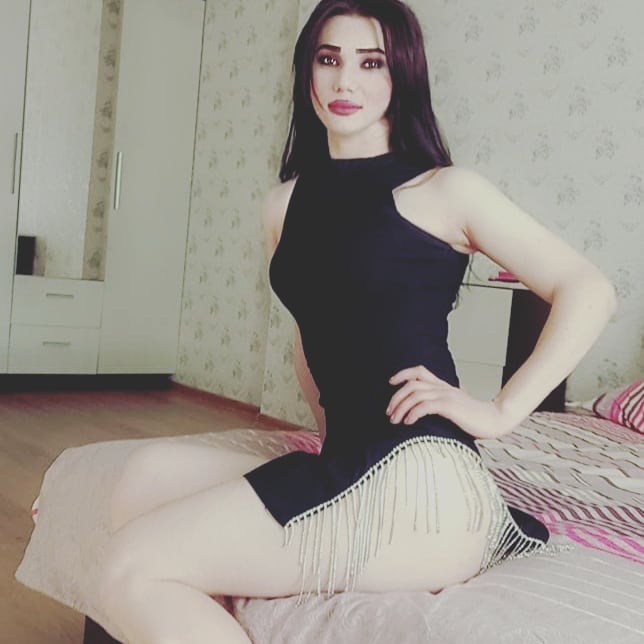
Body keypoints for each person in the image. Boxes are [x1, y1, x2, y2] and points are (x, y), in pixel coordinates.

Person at [97, 1, 616, 642]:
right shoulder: (283, 205)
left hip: (424, 479)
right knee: (144, 475)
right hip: (350, 459)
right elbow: (310, 334)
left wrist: (499, 412)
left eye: (371, 63)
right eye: (329, 59)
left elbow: (588, 290)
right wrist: (329, 435)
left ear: (403, 74)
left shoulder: (444, 191)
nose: (346, 81)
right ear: (307, 71)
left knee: (131, 568)